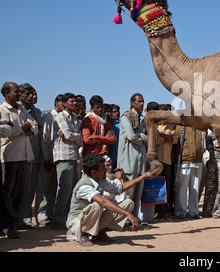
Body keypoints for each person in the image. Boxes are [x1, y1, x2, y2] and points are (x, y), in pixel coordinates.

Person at [66, 154, 157, 246]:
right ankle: (82, 234)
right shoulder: (84, 186)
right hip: (77, 224)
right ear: (94, 172)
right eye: (103, 168)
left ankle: (99, 234)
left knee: (128, 203)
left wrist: (142, 177)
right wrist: (128, 214)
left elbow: (119, 189)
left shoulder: (101, 179)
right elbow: (103, 202)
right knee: (97, 205)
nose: (106, 169)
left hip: (93, 219)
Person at [0, 82, 38, 238]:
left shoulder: (22, 109)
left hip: (23, 155)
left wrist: (20, 129)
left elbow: (35, 127)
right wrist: (22, 128)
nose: (18, 94)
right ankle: (7, 225)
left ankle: (11, 223)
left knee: (18, 192)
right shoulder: (2, 110)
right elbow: (4, 130)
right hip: (9, 156)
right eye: (16, 91)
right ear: (6, 93)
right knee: (7, 192)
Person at [51, 92, 83, 229]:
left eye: (75, 101)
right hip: (63, 155)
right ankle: (57, 220)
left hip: (73, 156)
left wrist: (73, 136)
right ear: (64, 103)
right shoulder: (60, 116)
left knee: (72, 190)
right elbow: (70, 135)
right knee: (64, 189)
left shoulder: (75, 118)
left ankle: (67, 219)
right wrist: (76, 136)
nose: (74, 103)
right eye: (72, 101)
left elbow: (76, 137)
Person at [117, 93, 149, 222]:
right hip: (128, 160)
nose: (141, 104)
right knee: (127, 194)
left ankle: (134, 218)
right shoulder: (126, 117)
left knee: (137, 193)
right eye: (139, 101)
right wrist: (142, 138)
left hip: (140, 160)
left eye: (142, 101)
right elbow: (131, 136)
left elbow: (147, 136)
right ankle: (124, 220)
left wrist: (141, 137)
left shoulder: (142, 119)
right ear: (132, 103)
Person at [17, 83, 43, 229]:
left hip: (33, 155)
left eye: (33, 94)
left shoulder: (37, 112)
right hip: (16, 155)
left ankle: (25, 217)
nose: (32, 96)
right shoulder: (17, 110)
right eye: (28, 94)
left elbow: (36, 131)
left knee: (30, 190)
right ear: (20, 95)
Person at [36, 94, 64, 226]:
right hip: (48, 158)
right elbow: (45, 139)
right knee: (43, 188)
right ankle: (41, 215)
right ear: (57, 102)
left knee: (53, 187)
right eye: (63, 103)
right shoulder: (49, 117)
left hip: (58, 158)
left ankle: (51, 213)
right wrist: (46, 158)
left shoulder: (63, 117)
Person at [174, 125, 206, 219]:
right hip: (185, 161)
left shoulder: (201, 127)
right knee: (182, 188)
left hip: (198, 160)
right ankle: (181, 212)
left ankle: (194, 212)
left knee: (195, 188)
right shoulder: (181, 127)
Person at [155, 103, 176, 218]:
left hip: (167, 160)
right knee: (156, 186)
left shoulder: (170, 128)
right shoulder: (155, 126)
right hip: (157, 161)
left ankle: (165, 210)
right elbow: (156, 141)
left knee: (167, 187)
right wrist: (167, 137)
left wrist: (162, 135)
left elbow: (175, 140)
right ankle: (157, 210)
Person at [108, 104, 121, 168]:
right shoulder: (105, 124)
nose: (117, 113)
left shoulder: (120, 125)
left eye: (118, 111)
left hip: (118, 156)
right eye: (114, 112)